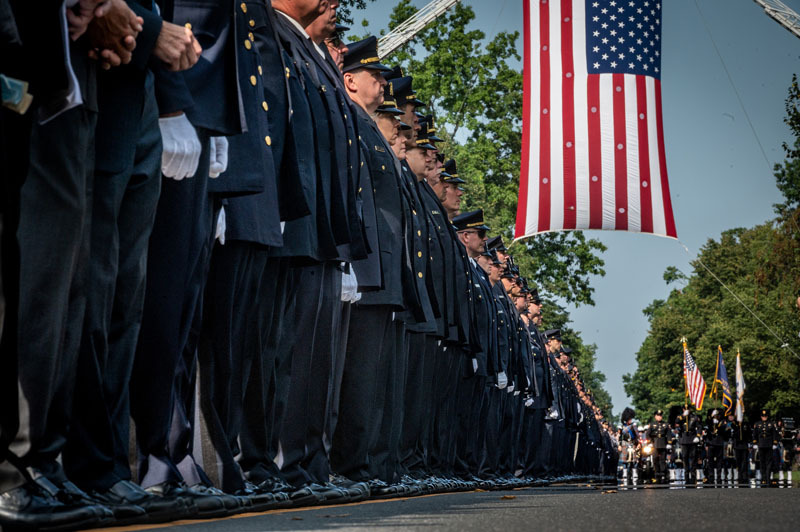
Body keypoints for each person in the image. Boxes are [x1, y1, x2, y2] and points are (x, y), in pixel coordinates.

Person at [752, 409, 779, 486]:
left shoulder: (771, 424)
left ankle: (768, 478)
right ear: (761, 416)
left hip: (769, 445)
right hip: (761, 445)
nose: (764, 417)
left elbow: (774, 434)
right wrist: (755, 443)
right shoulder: (757, 424)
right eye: (763, 416)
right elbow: (754, 434)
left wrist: (775, 443)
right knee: (762, 462)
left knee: (769, 462)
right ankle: (763, 479)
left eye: (765, 416)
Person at [677, 408, 703, 485]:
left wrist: (698, 436)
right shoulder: (681, 417)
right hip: (684, 440)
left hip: (692, 440)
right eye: (685, 409)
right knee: (685, 458)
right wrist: (683, 415)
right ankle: (686, 477)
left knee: (693, 459)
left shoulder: (694, 417)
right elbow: (676, 422)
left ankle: (693, 477)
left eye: (688, 409)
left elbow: (699, 427)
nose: (686, 410)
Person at [647, 409, 672, 484]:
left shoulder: (666, 424)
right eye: (658, 416)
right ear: (655, 416)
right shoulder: (652, 424)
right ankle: (657, 475)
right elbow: (648, 434)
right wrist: (650, 442)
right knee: (655, 459)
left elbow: (669, 434)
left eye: (660, 415)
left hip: (663, 443)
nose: (659, 417)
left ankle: (663, 474)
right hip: (655, 444)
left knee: (662, 460)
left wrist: (669, 443)